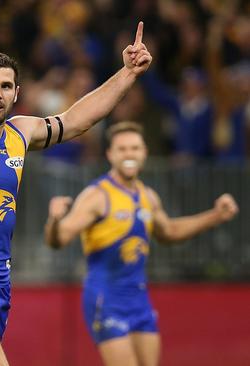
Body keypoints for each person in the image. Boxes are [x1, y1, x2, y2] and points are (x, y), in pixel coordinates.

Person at [0, 21, 152, 366]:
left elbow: (76, 120)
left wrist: (128, 73)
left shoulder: (20, 133)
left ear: (17, 93)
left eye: (6, 86)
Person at [44, 122, 239, 366]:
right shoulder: (97, 196)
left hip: (139, 300)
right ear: (110, 154)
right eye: (122, 149)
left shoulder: (148, 196)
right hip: (106, 299)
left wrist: (215, 216)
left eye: (134, 148)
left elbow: (169, 232)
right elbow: (58, 239)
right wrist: (54, 220)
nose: (129, 154)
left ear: (144, 152)